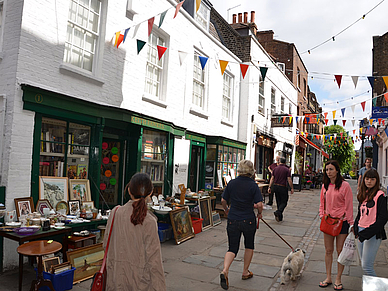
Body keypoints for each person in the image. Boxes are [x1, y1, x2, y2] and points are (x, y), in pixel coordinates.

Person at [103, 173, 166, 291]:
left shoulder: (115, 212)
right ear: (150, 192)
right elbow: (154, 259)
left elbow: (106, 244)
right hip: (139, 282)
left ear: (128, 190)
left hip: (116, 279)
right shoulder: (149, 221)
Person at [220, 159, 263, 290]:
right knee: (249, 245)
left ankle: (225, 270)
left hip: (233, 218)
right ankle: (245, 272)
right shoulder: (253, 185)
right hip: (248, 219)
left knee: (232, 248)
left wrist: (226, 210)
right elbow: (260, 204)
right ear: (251, 171)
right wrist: (259, 213)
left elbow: (223, 200)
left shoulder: (232, 183)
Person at [318, 160, 353, 290]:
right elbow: (322, 203)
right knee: (328, 250)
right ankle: (328, 277)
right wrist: (322, 215)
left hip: (342, 223)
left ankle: (338, 278)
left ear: (337, 170)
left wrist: (351, 223)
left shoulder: (345, 186)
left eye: (331, 169)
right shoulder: (325, 186)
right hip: (328, 221)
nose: (329, 172)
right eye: (327, 170)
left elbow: (349, 206)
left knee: (340, 251)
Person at [354, 169, 388, 276]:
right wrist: (355, 227)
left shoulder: (380, 195)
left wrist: (367, 233)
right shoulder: (364, 194)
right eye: (367, 179)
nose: (369, 181)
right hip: (360, 230)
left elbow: (383, 218)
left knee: (367, 266)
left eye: (372, 179)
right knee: (363, 264)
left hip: (372, 233)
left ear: (376, 180)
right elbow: (360, 213)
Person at [268, 157, 294, 222]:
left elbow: (272, 178)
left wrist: (269, 187)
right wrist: (292, 188)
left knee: (278, 201)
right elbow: (289, 179)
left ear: (279, 162)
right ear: (285, 163)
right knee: (284, 201)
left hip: (276, 186)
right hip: (283, 187)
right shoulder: (286, 169)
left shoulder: (275, 169)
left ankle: (280, 217)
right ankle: (278, 211)